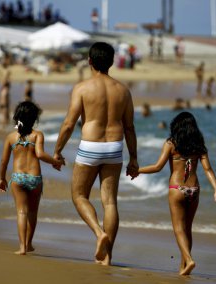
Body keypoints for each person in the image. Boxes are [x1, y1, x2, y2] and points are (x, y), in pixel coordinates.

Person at [53, 42, 138, 266]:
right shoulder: (123, 91)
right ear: (111, 62)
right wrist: (134, 158)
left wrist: (58, 150)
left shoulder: (81, 88)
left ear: (89, 61)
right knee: (110, 202)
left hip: (90, 145)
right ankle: (107, 256)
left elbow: (69, 123)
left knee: (79, 196)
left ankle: (99, 233)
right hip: (114, 147)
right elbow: (129, 127)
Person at [138, 112, 216, 276]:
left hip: (177, 189)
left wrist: (137, 170)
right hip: (194, 190)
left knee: (178, 229)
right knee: (187, 229)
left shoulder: (171, 143)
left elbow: (157, 167)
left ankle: (189, 260)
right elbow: (208, 169)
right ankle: (183, 268)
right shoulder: (199, 145)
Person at [0, 101, 64, 255]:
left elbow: (3, 161)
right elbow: (40, 154)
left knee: (21, 212)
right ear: (34, 119)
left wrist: (2, 178)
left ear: (17, 117)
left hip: (18, 178)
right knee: (33, 213)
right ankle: (29, 244)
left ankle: (21, 248)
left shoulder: (11, 137)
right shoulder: (37, 135)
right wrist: (56, 162)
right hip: (35, 178)